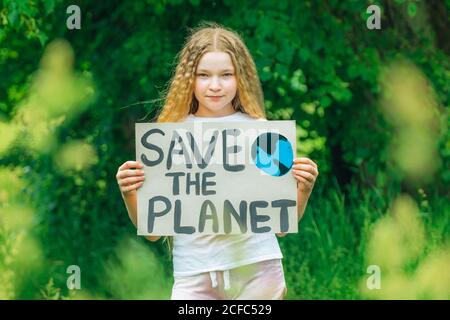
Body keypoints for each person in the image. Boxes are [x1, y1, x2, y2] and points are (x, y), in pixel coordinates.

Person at [116, 23, 319, 300]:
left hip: (258, 270)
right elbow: (153, 233)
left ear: (240, 78)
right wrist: (129, 192)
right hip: (193, 275)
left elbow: (282, 226)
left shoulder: (262, 132)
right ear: (189, 78)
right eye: (203, 75)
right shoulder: (169, 137)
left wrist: (303, 189)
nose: (215, 85)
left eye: (226, 75)